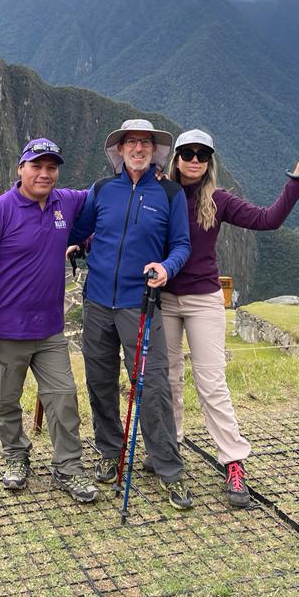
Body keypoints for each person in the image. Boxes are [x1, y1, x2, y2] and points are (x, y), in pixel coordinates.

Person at [162, 128, 299, 507]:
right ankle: (169, 447)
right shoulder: (159, 195)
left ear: (209, 161)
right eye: (188, 153)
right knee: (166, 379)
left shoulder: (217, 200)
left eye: (202, 155)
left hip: (203, 299)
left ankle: (233, 460)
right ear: (176, 157)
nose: (194, 160)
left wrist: (295, 181)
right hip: (163, 298)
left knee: (211, 381)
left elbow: (267, 220)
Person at [68, 119, 194, 510]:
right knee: (100, 380)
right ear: (119, 151)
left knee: (152, 385)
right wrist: (74, 245)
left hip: (140, 303)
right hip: (98, 301)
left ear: (154, 151)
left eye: (145, 143)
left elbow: (181, 245)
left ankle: (167, 468)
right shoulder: (103, 190)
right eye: (131, 143)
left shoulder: (170, 195)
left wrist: (166, 268)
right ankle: (110, 450)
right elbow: (82, 229)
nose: (138, 149)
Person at [0, 138, 99, 503]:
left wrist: (144, 168)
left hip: (49, 330)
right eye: (36, 166)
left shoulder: (66, 202)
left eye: (51, 168)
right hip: (6, 329)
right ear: (20, 169)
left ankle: (68, 467)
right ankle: (15, 455)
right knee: (3, 400)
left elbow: (103, 192)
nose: (44, 174)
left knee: (63, 398)